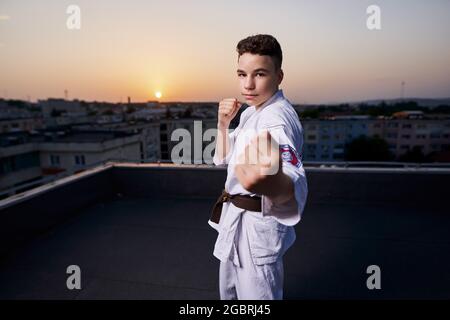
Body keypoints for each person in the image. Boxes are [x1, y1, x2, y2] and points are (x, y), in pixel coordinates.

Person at [209, 34, 308, 300]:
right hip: (236, 221)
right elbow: (223, 157)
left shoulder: (275, 119)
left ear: (279, 76)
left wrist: (275, 181)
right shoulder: (254, 111)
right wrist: (222, 125)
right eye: (242, 74)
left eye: (260, 74)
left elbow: (292, 173)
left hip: (255, 229)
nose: (248, 85)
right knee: (230, 295)